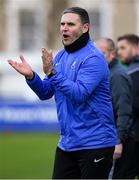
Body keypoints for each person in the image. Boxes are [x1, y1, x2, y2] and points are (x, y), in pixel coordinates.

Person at [8, 7, 118, 179]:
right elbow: (46, 92)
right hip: (68, 144)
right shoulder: (59, 57)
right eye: (62, 24)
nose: (64, 28)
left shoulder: (93, 58)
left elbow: (79, 94)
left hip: (96, 143)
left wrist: (52, 73)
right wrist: (31, 76)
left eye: (70, 24)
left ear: (85, 28)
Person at [95, 38, 135, 179]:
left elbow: (124, 111)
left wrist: (118, 140)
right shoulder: (103, 73)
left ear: (112, 54)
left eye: (101, 54)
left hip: (112, 141)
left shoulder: (117, 75)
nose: (96, 58)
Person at [117, 34, 139, 179]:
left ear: (136, 47)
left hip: (133, 140)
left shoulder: (132, 73)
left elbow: (129, 106)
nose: (119, 52)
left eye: (123, 48)